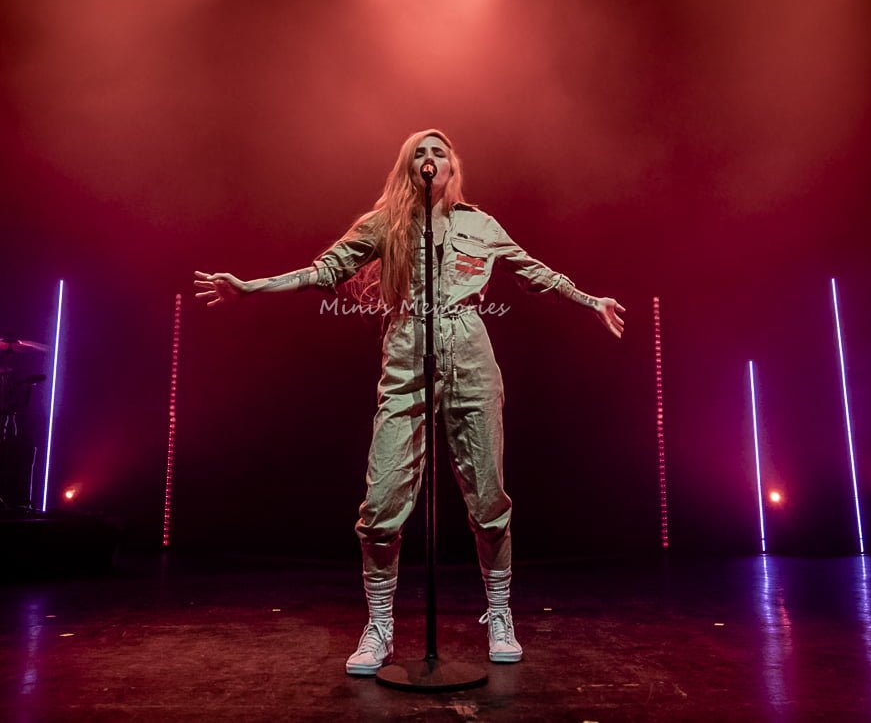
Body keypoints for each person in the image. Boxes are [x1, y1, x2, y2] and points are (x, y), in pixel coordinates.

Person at [194, 129, 624, 675]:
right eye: (419, 152)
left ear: (452, 167)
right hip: (405, 354)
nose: (429, 158)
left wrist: (589, 300)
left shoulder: (481, 225)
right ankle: (380, 626)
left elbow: (532, 269)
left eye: (438, 152)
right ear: (407, 167)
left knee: (489, 499)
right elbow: (325, 270)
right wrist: (253, 287)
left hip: (471, 354)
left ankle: (499, 614)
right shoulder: (385, 225)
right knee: (380, 506)